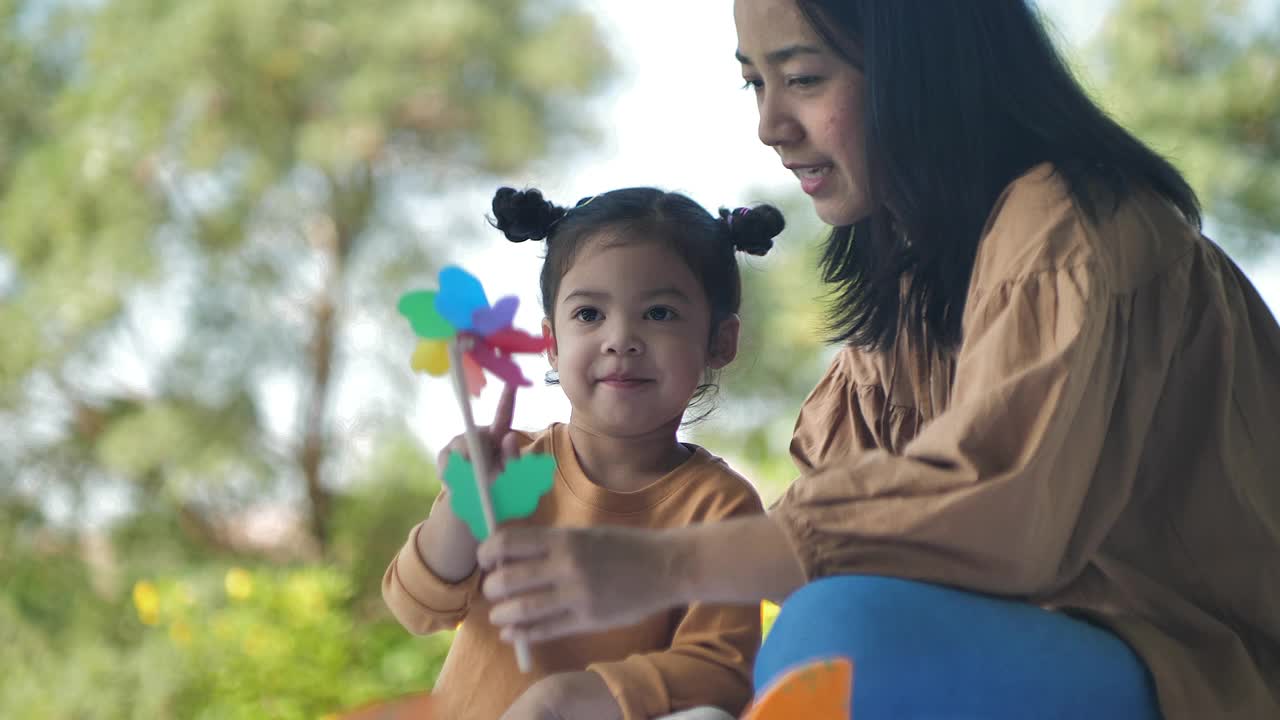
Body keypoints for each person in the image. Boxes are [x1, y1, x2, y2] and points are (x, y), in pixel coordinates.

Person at [473, 2, 1280, 719]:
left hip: (1197, 671)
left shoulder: (1072, 224)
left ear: (924, 69)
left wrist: (662, 565)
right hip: (1037, 656)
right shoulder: (901, 311)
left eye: (804, 78)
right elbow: (832, 545)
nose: (770, 125)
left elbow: (999, 507)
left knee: (839, 637)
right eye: (754, 82)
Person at [382, 186, 787, 720]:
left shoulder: (720, 507)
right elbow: (416, 611)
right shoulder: (509, 466)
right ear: (550, 340)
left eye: (660, 313)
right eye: (590, 314)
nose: (621, 339)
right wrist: (465, 508)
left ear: (720, 341)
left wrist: (570, 698)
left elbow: (720, 673)